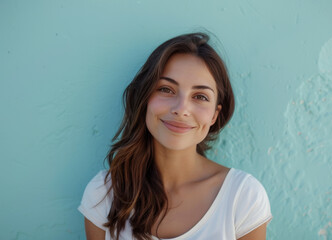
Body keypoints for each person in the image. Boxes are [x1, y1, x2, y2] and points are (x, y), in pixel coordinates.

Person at [78, 32, 272, 240]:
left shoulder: (243, 197)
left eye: (200, 96)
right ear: (144, 99)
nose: (181, 109)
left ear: (215, 114)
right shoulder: (104, 194)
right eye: (166, 89)